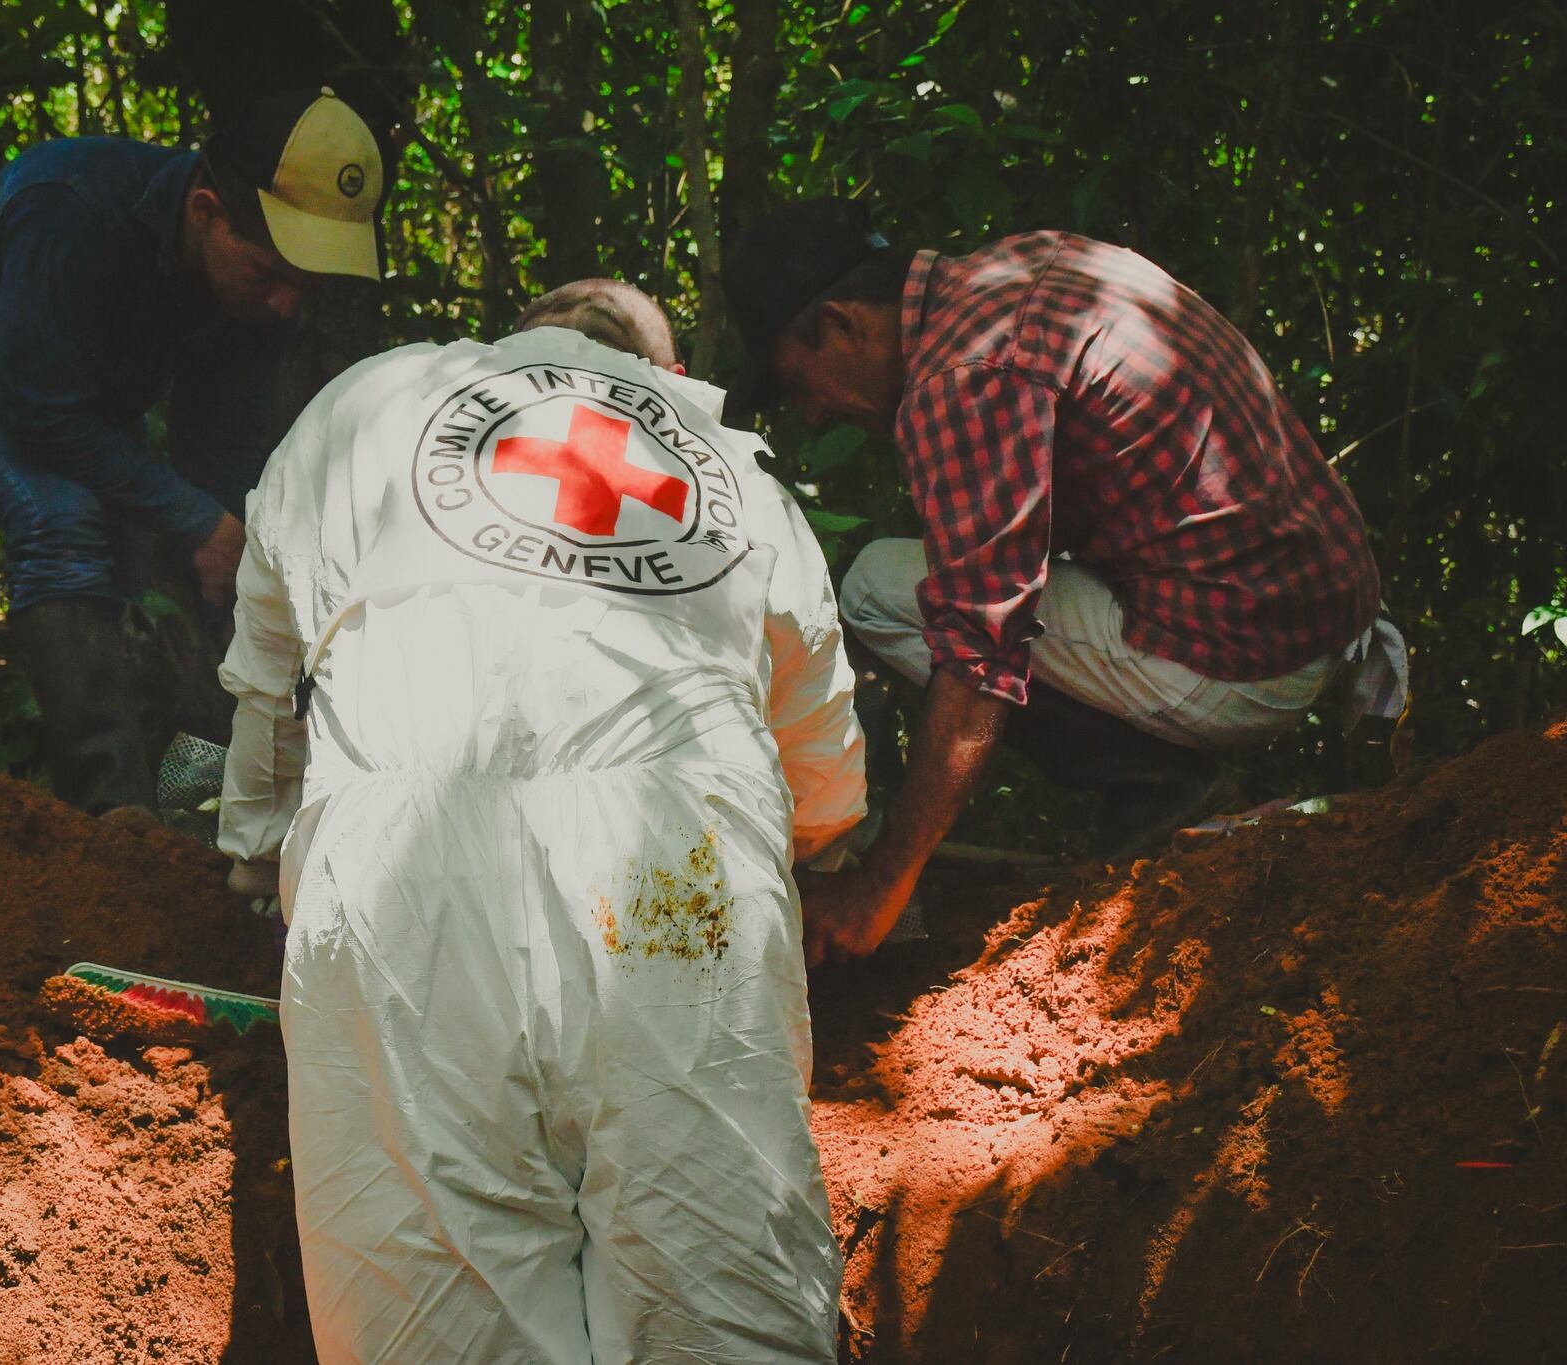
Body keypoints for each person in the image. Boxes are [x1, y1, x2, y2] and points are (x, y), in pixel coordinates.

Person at [217, 280, 866, 1362]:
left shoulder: (356, 404)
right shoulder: (714, 451)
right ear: (656, 373)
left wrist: (251, 867)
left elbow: (264, 691)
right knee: (719, 1296)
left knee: (437, 1307)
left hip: (398, 875)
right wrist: (815, 844)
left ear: (515, 336)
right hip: (677, 870)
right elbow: (821, 749)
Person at [721, 200, 1402, 964]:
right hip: (1323, 606)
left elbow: (981, 655)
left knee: (877, 589)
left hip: (1254, 656)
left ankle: (1162, 783)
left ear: (843, 325)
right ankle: (1164, 772)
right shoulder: (1018, 267)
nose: (809, 415)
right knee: (923, 582)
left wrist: (881, 890)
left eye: (797, 383)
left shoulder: (960, 378)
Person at [0, 88, 387, 815]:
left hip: (76, 387)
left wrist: (227, 556)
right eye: (270, 275)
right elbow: (37, 410)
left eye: (306, 286)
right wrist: (196, 520)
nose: (286, 305)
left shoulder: (261, 296)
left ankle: (185, 792)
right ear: (206, 213)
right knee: (58, 516)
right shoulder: (74, 209)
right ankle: (111, 818)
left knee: (138, 555)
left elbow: (218, 459)